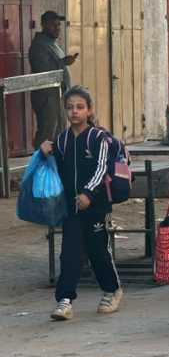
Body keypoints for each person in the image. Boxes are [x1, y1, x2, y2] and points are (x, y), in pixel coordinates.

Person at [40, 86, 122, 321]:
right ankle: (64, 301)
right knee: (70, 253)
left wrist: (88, 194)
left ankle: (112, 290)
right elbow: (55, 167)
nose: (74, 112)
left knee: (98, 251)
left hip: (95, 206)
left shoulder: (99, 138)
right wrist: (44, 152)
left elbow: (101, 168)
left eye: (79, 107)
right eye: (69, 107)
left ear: (89, 110)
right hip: (71, 208)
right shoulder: (62, 140)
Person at [29, 11, 78, 148]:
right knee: (47, 132)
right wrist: (63, 62)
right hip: (46, 96)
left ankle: (55, 165)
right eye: (53, 25)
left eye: (58, 25)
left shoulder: (52, 43)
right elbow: (42, 69)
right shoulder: (39, 45)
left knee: (58, 132)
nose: (57, 28)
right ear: (43, 25)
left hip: (58, 95)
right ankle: (39, 165)